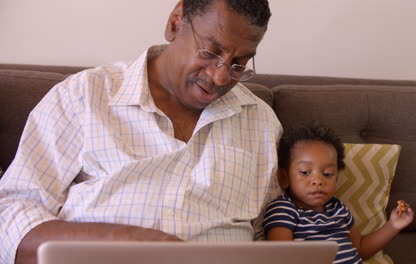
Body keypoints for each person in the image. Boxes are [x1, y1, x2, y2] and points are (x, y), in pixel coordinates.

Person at [0, 1, 282, 263]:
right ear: (175, 23)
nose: (220, 77)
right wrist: (124, 239)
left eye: (239, 63)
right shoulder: (83, 95)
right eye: (209, 52)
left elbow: (270, 229)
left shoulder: (260, 121)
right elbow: (10, 214)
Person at [262, 123, 414, 264]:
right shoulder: (283, 209)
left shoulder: (338, 208)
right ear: (284, 178)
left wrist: (393, 225)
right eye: (305, 172)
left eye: (327, 174)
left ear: (337, 179)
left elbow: (359, 249)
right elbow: (280, 258)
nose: (318, 180)